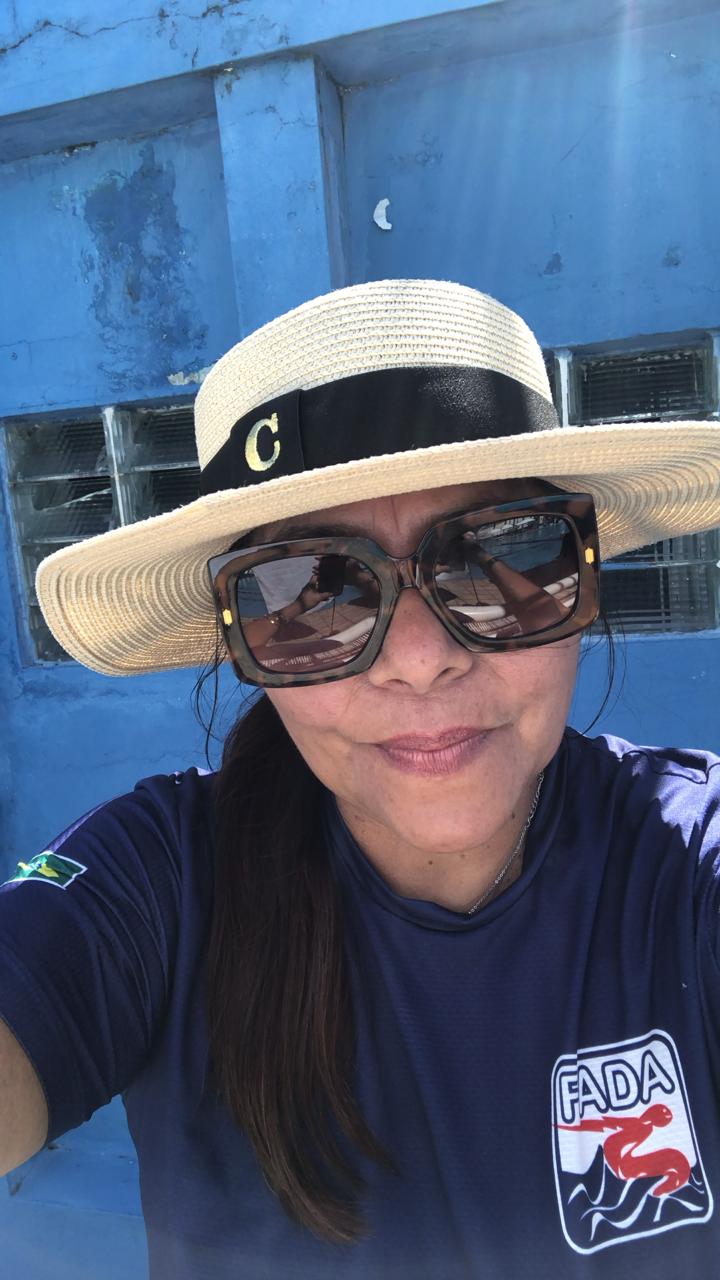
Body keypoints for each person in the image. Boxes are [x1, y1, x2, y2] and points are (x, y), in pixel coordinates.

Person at [1, 279, 719, 1279]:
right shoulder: (163, 880)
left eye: (502, 556)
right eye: (312, 594)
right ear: (244, 649)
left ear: (583, 578)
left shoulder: (688, 857)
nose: (420, 661)